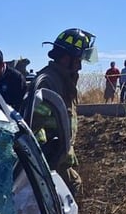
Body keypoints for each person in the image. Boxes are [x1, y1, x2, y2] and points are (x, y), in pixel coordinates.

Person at [34, 28, 96, 197]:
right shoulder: (48, 82)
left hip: (59, 156)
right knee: (70, 187)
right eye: (77, 61)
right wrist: (45, 153)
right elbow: (34, 123)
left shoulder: (63, 80)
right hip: (49, 158)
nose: (80, 66)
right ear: (65, 58)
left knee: (72, 186)